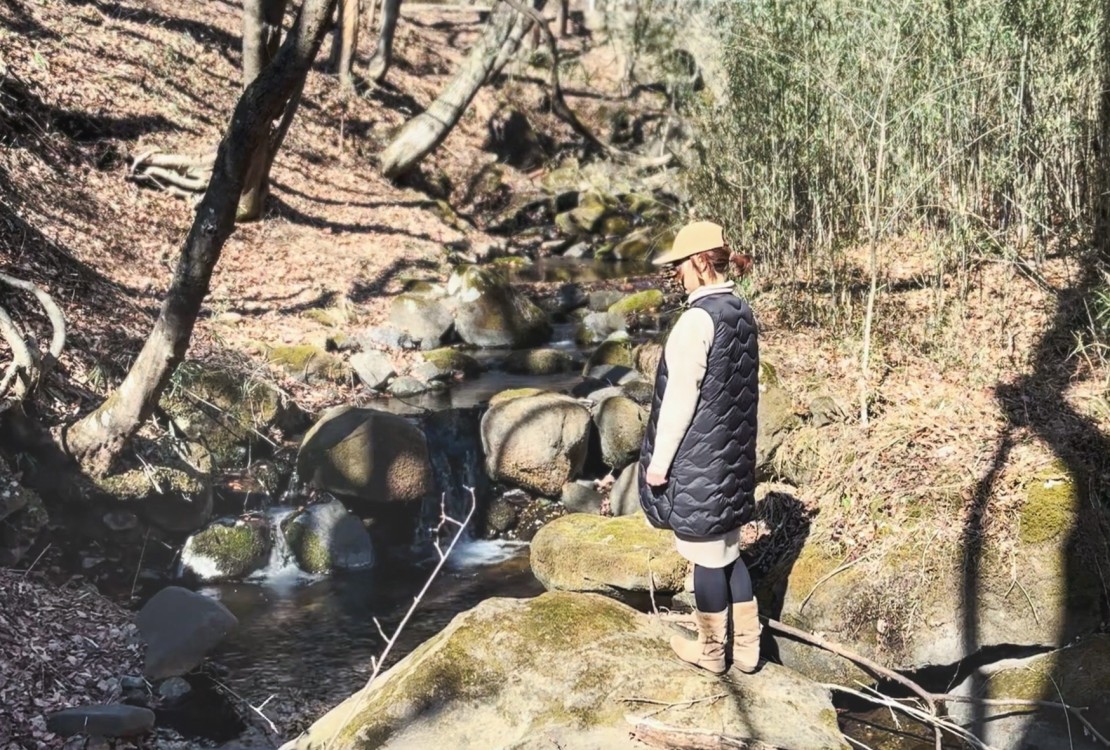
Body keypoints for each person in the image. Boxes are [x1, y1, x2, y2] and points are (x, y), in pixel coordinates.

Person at [638, 219, 760, 675]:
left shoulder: (695, 322)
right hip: (732, 455)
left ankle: (712, 654)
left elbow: (680, 399)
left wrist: (659, 464)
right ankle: (747, 651)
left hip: (699, 460)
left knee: (707, 559)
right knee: (729, 550)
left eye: (679, 267)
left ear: (699, 263)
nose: (676, 276)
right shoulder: (740, 310)